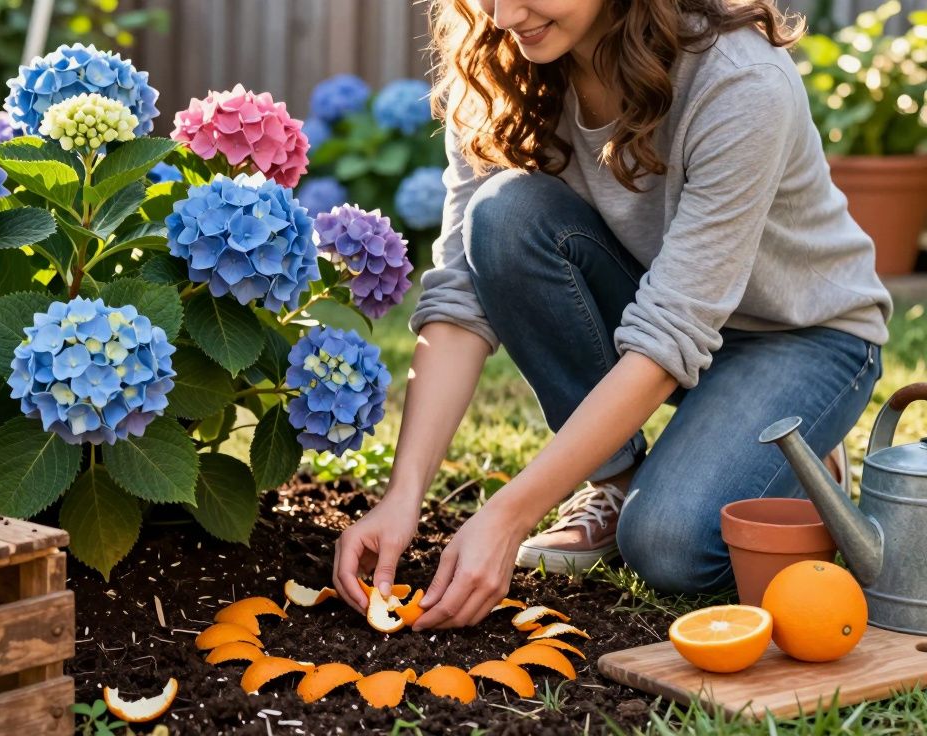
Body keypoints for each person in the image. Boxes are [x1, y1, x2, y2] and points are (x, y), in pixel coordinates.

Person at [332, 0, 892, 631]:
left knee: (667, 547)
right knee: (503, 215)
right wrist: (402, 495)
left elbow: (670, 331)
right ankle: (618, 478)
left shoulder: (737, 80)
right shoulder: (498, 60)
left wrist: (509, 515)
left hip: (801, 337)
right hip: (654, 304)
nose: (504, 13)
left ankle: (802, 466)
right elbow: (462, 292)